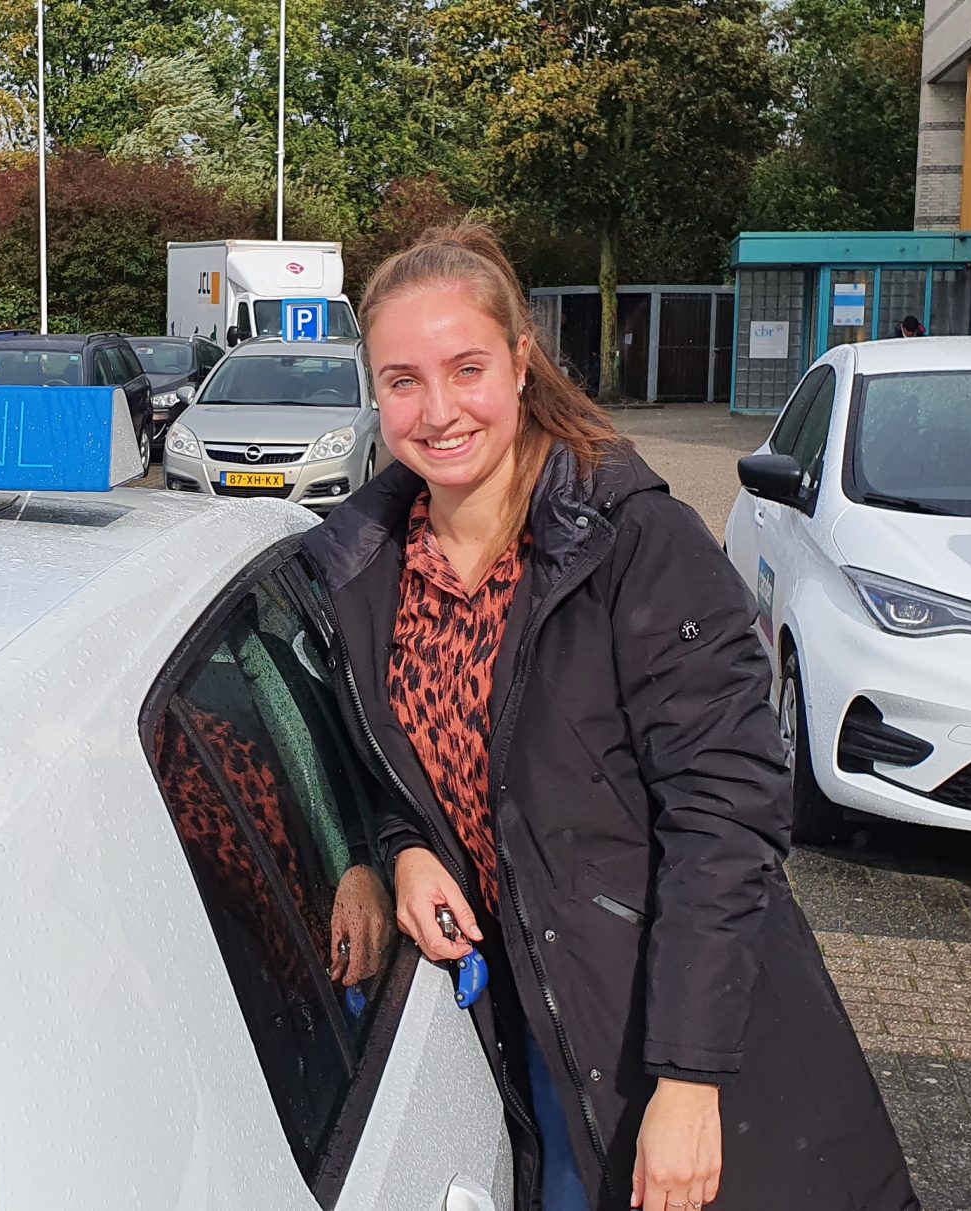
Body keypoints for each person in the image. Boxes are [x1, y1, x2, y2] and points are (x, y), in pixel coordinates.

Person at [302, 224, 917, 1211]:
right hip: (537, 1043)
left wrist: (689, 1080)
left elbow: (726, 817)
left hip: (685, 1039)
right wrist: (400, 847)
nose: (439, 410)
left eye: (466, 368)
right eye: (403, 380)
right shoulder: (363, 573)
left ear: (520, 361)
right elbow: (386, 764)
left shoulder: (633, 542)